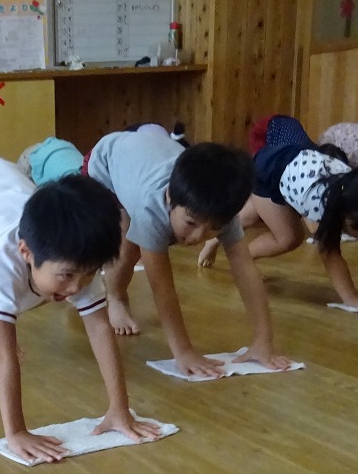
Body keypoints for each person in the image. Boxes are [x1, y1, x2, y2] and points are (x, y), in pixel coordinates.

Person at [0, 155, 160, 463]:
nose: (76, 287)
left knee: (38, 293)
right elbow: (3, 357)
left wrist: (120, 408)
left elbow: (101, 328)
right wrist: (16, 432)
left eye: (88, 274)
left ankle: (14, 307)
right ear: (26, 251)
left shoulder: (77, 256)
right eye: (67, 275)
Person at [81, 129, 290, 375]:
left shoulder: (220, 211)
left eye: (213, 229)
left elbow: (246, 269)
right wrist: (183, 351)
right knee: (128, 243)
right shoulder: (151, 209)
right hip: (106, 164)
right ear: (170, 197)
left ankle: (117, 294)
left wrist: (263, 340)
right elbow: (162, 288)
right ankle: (116, 298)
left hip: (145, 156)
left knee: (135, 235)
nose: (198, 237)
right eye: (190, 223)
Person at [221, 143, 358, 311]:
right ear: (345, 212)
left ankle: (218, 234)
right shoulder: (322, 205)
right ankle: (241, 261)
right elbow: (330, 255)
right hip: (268, 171)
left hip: (296, 164)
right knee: (288, 238)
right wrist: (352, 297)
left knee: (247, 217)